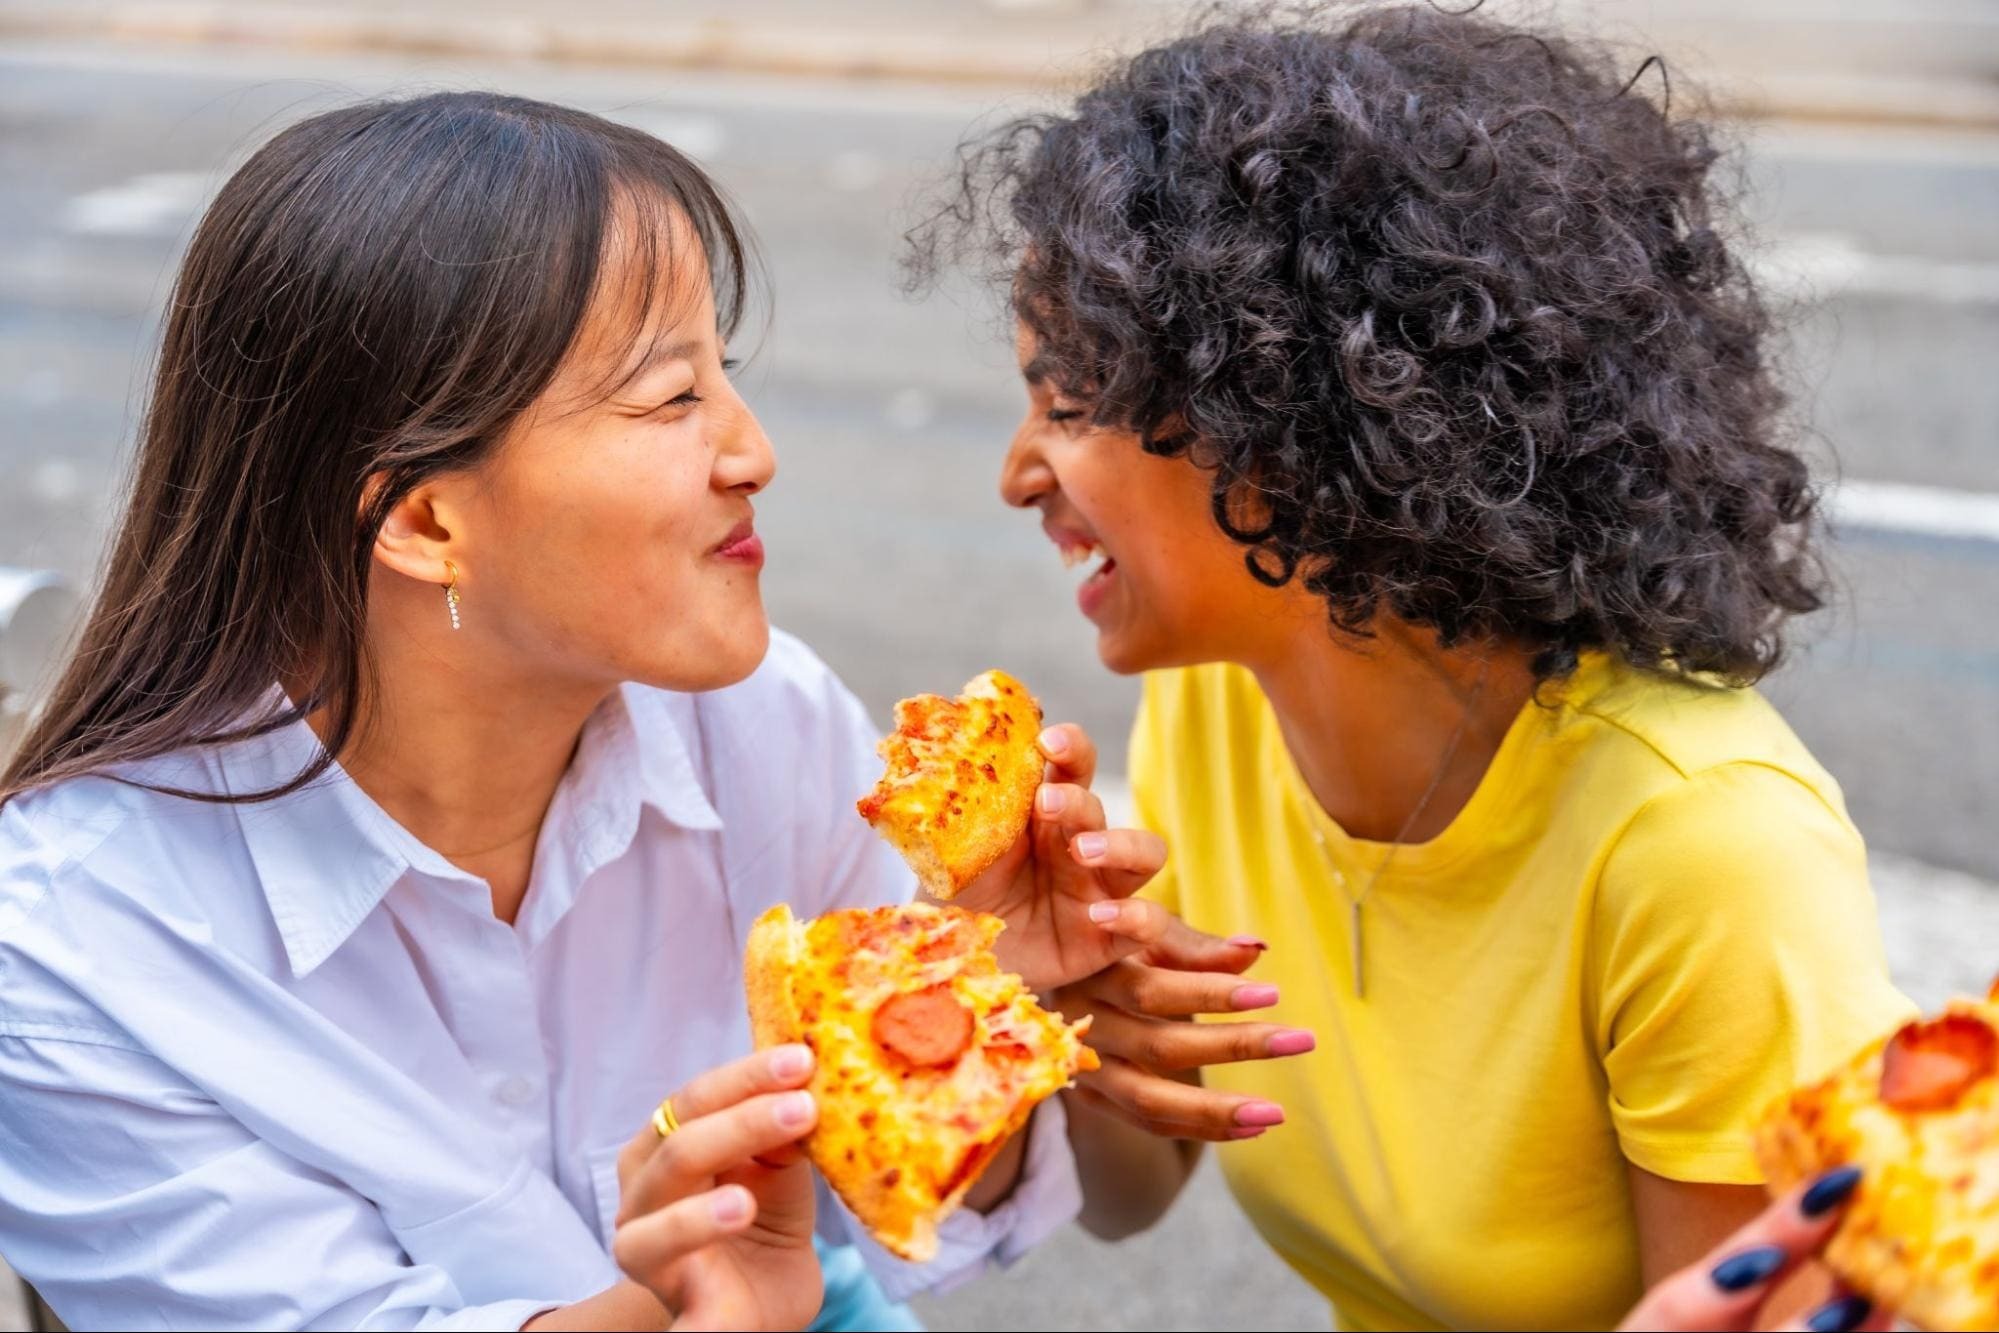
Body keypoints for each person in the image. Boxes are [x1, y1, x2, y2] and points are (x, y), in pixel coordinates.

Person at [0, 92, 1229, 1331]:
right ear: (425, 522)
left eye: (724, 377)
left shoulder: (762, 720)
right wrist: (692, 1306)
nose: (752, 452)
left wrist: (967, 1010)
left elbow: (911, 1202)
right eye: (668, 397)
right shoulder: (78, 942)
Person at [920, 4, 1917, 1329]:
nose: (1015, 473)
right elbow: (1130, 1190)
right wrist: (1054, 1007)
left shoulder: (1702, 850)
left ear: (1286, 404)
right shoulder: (1217, 698)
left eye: (1070, 401)